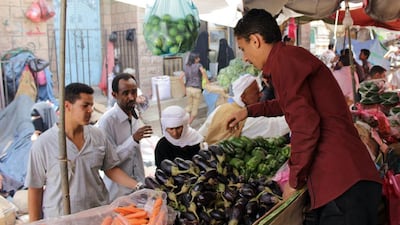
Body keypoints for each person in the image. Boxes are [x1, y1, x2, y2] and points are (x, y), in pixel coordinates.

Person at [226, 9, 382, 225]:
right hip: (348, 179)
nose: (244, 57)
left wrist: (295, 179)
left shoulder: (284, 63)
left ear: (256, 40)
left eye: (243, 48)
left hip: (343, 183)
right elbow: (291, 105)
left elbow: (306, 126)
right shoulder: (288, 58)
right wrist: (248, 111)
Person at [24, 83, 141, 221]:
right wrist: (35, 222)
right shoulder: (44, 144)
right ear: (67, 106)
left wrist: (138, 185)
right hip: (61, 219)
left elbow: (111, 169)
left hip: (97, 214)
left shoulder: (98, 135)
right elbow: (35, 188)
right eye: (85, 106)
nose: (90, 110)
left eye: (91, 105)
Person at [96, 73, 152, 201]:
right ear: (114, 95)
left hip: (138, 186)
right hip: (118, 192)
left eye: (134, 92)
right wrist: (133, 140)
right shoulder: (107, 122)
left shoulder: (135, 113)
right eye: (126, 93)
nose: (131, 97)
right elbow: (109, 161)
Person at [198, 74, 289, 145]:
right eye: (256, 92)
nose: (261, 95)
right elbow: (277, 126)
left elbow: (201, 133)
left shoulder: (221, 108)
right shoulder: (245, 121)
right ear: (243, 97)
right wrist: (299, 112)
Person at [179, 51, 209, 124]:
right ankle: (188, 124)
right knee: (194, 110)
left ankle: (179, 116)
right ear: (194, 59)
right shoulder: (199, 65)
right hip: (197, 89)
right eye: (197, 58)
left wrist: (184, 90)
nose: (199, 59)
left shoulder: (186, 66)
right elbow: (203, 72)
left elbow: (180, 78)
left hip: (188, 89)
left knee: (189, 107)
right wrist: (207, 82)